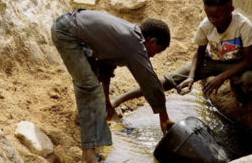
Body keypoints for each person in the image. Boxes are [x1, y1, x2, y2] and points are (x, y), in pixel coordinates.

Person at [51, 9, 174, 163]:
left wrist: (107, 103)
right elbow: (149, 81)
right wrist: (164, 117)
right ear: (152, 41)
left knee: (92, 78)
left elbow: (105, 68)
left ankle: (84, 119)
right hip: (67, 33)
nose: (153, 55)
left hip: (71, 26)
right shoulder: (134, 44)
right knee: (89, 87)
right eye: (157, 51)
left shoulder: (126, 38)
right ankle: (88, 155)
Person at [112, 0, 252, 108]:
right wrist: (191, 77)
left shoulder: (243, 26)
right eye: (209, 16)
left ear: (230, 9)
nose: (213, 20)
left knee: (248, 78)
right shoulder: (206, 26)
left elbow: (248, 61)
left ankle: (241, 104)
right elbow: (199, 53)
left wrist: (221, 77)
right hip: (210, 61)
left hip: (234, 65)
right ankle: (119, 100)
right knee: (167, 81)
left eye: (217, 17)